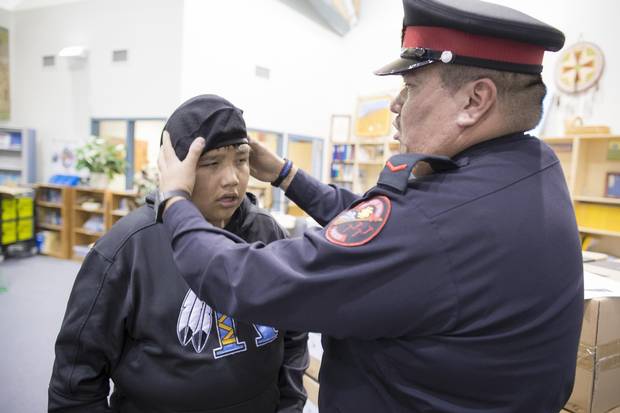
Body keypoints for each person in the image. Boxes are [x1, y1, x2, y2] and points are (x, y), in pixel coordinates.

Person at [156, 1, 583, 412]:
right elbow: (372, 227)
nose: (396, 105)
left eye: (411, 87)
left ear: (475, 101)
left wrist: (175, 201)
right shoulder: (531, 166)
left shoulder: (438, 224)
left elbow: (247, 281)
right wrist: (287, 174)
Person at [48, 95, 309, 413]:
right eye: (211, 163)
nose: (232, 179)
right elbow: (76, 382)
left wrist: (290, 406)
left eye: (241, 160)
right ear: (175, 170)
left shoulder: (269, 233)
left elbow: (294, 333)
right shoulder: (125, 249)